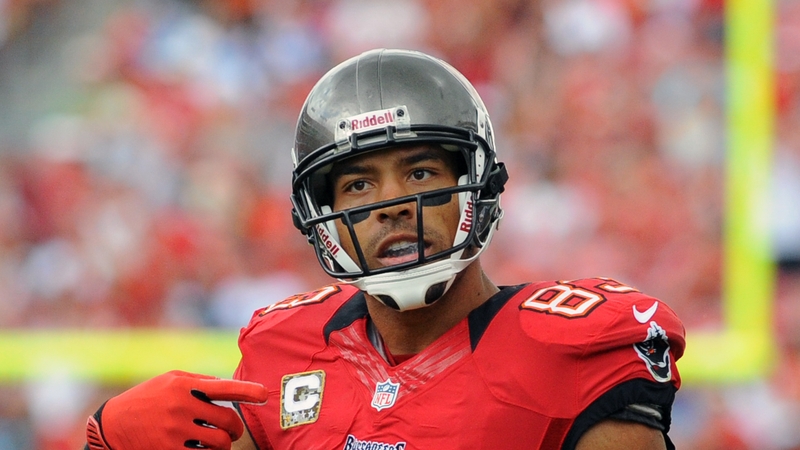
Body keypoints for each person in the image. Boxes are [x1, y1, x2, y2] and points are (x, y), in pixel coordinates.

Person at [84, 48, 685, 450]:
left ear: (476, 186)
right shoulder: (283, 346)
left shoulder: (571, 348)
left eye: (420, 173)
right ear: (324, 217)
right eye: (359, 184)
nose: (391, 204)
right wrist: (106, 443)